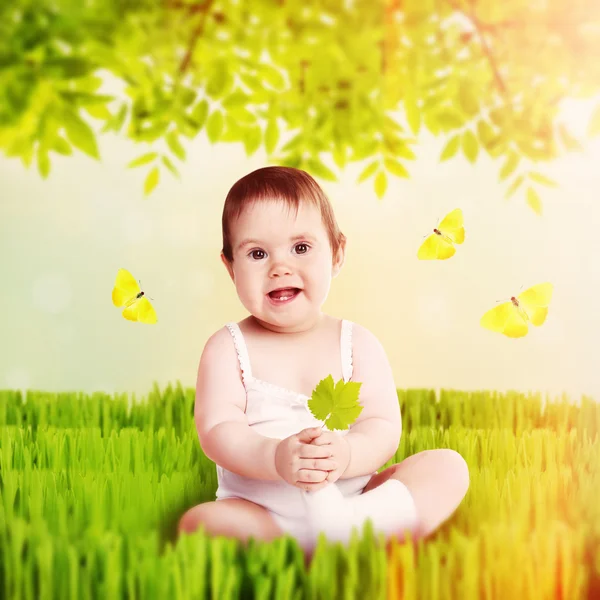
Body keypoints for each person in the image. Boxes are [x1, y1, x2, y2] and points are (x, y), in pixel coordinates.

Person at [178, 166, 470, 561]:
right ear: (231, 267)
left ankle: (353, 526)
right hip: (264, 514)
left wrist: (347, 454)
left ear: (337, 253)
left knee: (447, 467)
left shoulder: (357, 344)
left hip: (352, 498)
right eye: (258, 253)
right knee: (198, 523)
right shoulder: (227, 348)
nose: (280, 267)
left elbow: (382, 427)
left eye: (300, 248)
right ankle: (323, 544)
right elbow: (217, 431)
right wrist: (275, 458)